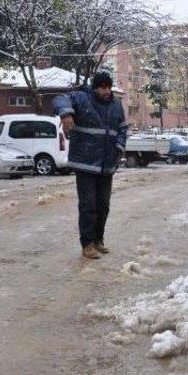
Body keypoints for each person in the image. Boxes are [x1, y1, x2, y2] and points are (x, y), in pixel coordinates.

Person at [52, 71, 127, 259]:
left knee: (103, 205)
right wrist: (66, 114)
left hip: (107, 164)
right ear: (95, 88)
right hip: (85, 162)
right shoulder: (81, 98)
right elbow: (60, 99)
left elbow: (122, 128)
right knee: (88, 205)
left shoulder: (116, 105)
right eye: (103, 87)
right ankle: (87, 244)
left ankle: (98, 240)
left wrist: (120, 145)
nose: (107, 91)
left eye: (109, 87)